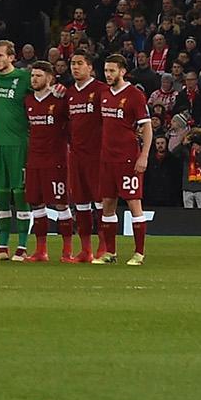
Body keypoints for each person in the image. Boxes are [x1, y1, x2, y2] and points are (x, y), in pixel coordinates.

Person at [97, 53, 154, 267]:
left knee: (133, 204)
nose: (108, 74)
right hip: (107, 158)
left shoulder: (134, 95)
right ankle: (110, 252)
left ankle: (139, 253)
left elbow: (146, 127)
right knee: (108, 204)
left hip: (128, 158)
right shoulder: (104, 94)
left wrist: (144, 155)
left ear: (122, 71)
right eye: (106, 70)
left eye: (112, 70)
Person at [0, 38, 31, 259]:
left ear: (12, 57)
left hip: (19, 144)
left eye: (0, 55)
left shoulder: (23, 78)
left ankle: (22, 246)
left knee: (20, 194)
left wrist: (56, 86)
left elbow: (44, 88)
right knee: (1, 194)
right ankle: (2, 246)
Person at [21, 60, 74, 263]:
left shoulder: (61, 99)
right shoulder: (28, 101)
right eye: (32, 76)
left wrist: (64, 91)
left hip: (57, 159)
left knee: (61, 204)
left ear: (50, 78)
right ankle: (41, 251)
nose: (34, 79)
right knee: (36, 204)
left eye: (38, 76)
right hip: (34, 159)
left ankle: (67, 252)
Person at [63, 46, 105, 261]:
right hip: (76, 155)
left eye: (80, 64)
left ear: (90, 67)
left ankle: (103, 247)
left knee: (100, 203)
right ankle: (86, 249)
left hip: (96, 155)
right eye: (73, 64)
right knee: (80, 203)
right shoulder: (69, 94)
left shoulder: (100, 90)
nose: (76, 68)